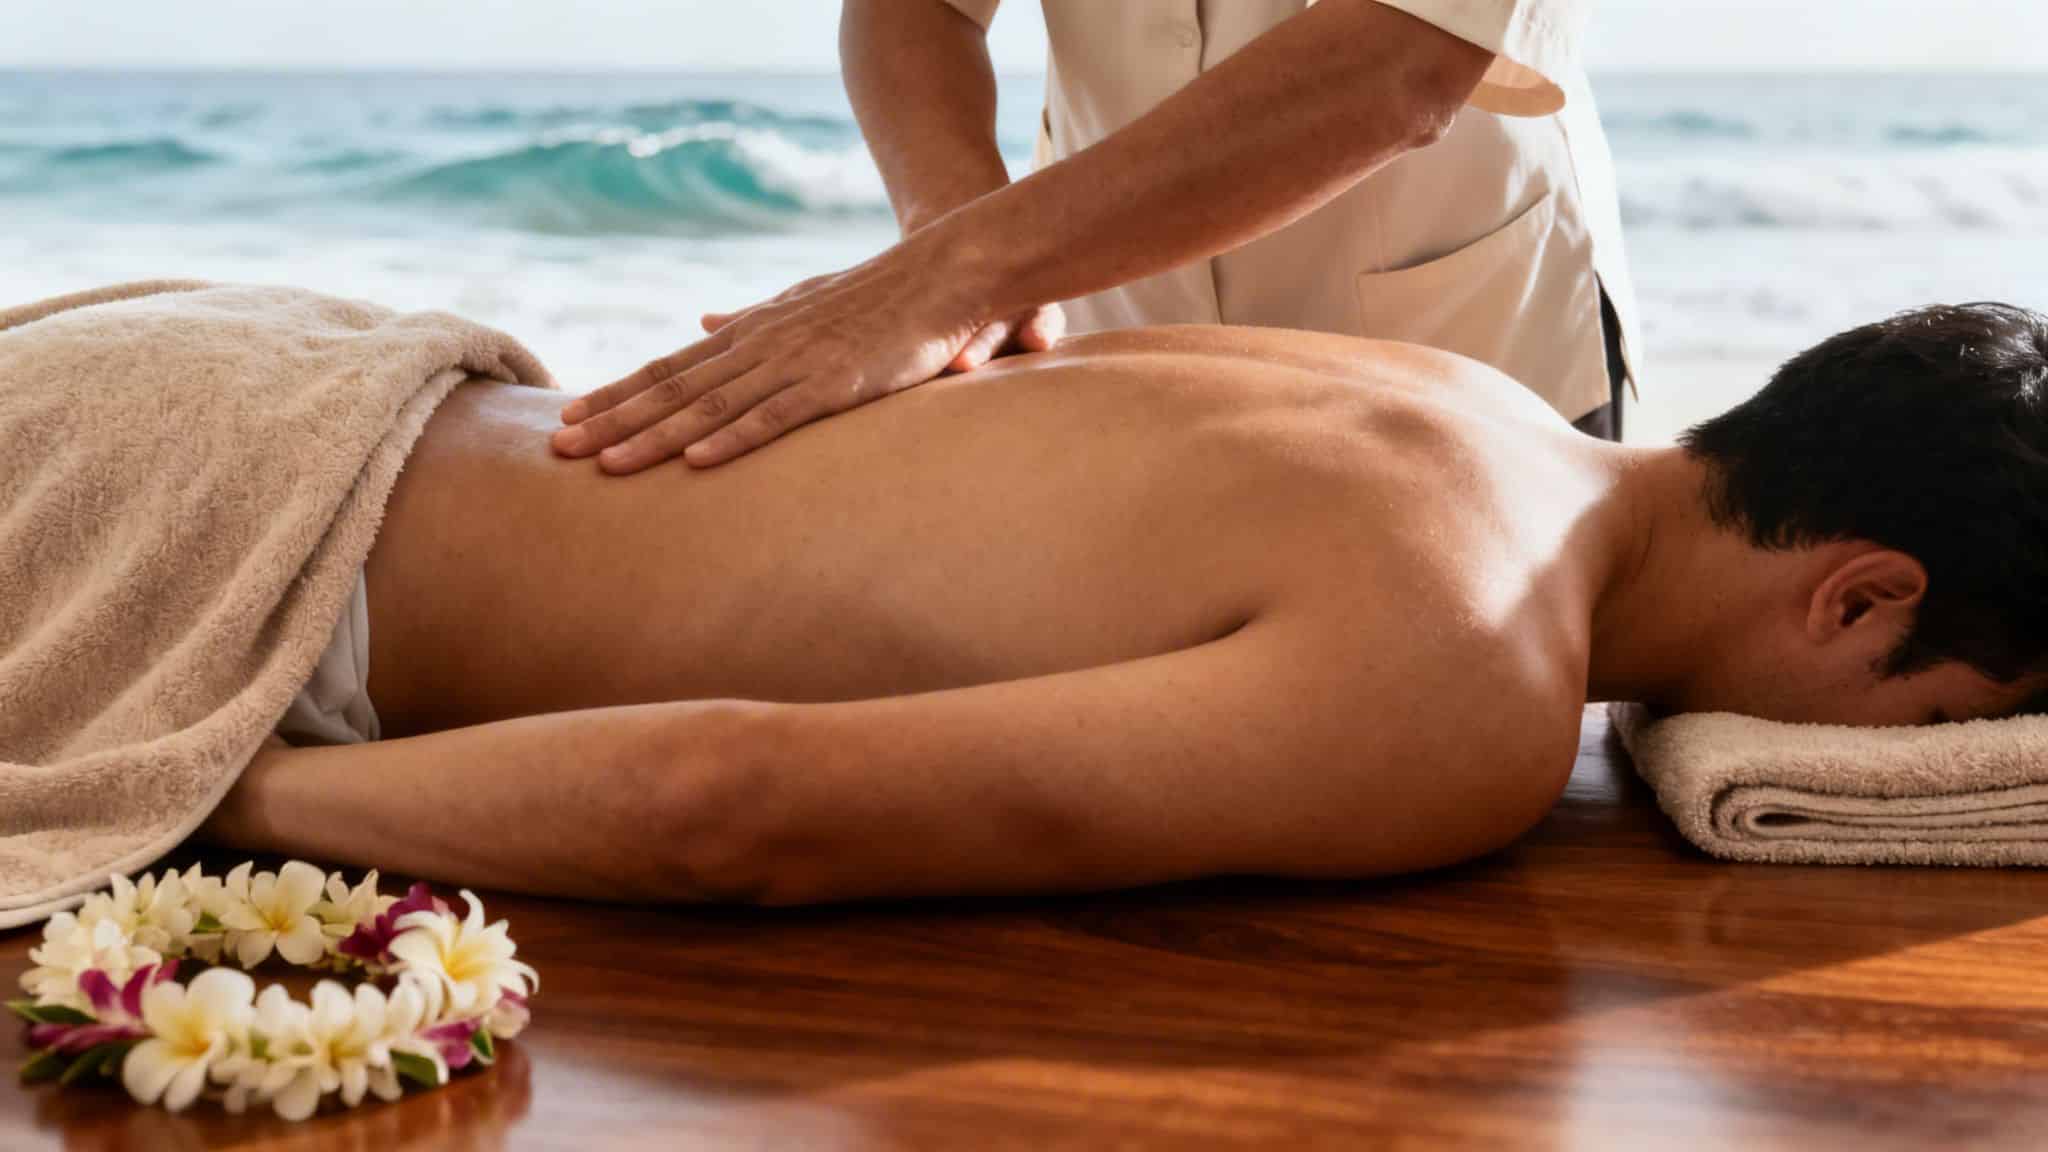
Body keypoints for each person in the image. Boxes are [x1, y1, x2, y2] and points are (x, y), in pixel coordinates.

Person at [206, 303, 2048, 905]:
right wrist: (218, 796)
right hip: (232, 565)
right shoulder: (1465, 681)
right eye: (1956, 723)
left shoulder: (1454, 396)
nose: (1936, 764)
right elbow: (722, 807)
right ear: (1858, 599)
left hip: (293, 377)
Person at [547, 0, 1637, 476]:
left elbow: (1400, 61)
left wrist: (950, 275)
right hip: (1109, 346)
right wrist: (949, 227)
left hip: (1465, 344)